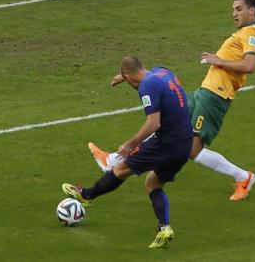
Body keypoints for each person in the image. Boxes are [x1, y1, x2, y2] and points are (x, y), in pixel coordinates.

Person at [90, 0, 255, 201]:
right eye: (233, 9)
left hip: (215, 98)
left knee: (192, 151)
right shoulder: (254, 33)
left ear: (252, 11)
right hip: (204, 92)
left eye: (239, 9)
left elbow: (250, 65)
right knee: (168, 122)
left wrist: (219, 60)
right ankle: (113, 159)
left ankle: (243, 177)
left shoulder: (250, 34)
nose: (234, 13)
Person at [63, 57, 193, 249]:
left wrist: (131, 144)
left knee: (121, 168)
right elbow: (150, 80)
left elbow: (153, 123)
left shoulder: (146, 87)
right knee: (153, 182)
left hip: (165, 142)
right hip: (185, 142)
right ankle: (164, 228)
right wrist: (124, 77)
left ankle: (87, 196)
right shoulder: (162, 72)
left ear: (129, 77)